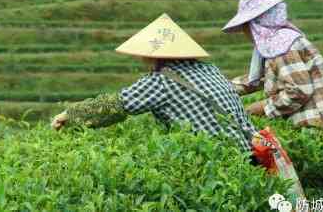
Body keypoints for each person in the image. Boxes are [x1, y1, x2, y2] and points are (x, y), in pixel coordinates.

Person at [51, 13, 257, 154]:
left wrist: (71, 115)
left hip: (220, 157)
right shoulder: (209, 69)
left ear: (156, 57)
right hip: (251, 151)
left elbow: (115, 106)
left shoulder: (162, 81)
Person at [222, 0, 323, 189]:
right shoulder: (278, 43)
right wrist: (224, 88)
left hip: (320, 125)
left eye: (245, 27)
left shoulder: (281, 45)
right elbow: (263, 79)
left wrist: (262, 107)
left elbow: (299, 90)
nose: (244, 33)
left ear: (256, 24)